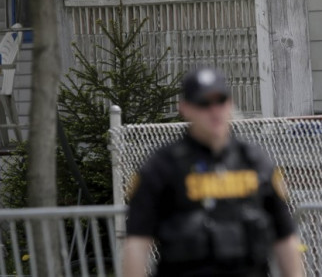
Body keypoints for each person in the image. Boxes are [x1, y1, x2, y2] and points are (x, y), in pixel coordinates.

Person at [122, 67, 304, 277]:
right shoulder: (162, 167)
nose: (214, 110)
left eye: (220, 101)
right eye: (204, 103)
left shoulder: (255, 162)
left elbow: (286, 238)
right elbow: (137, 242)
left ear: (230, 104)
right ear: (185, 108)